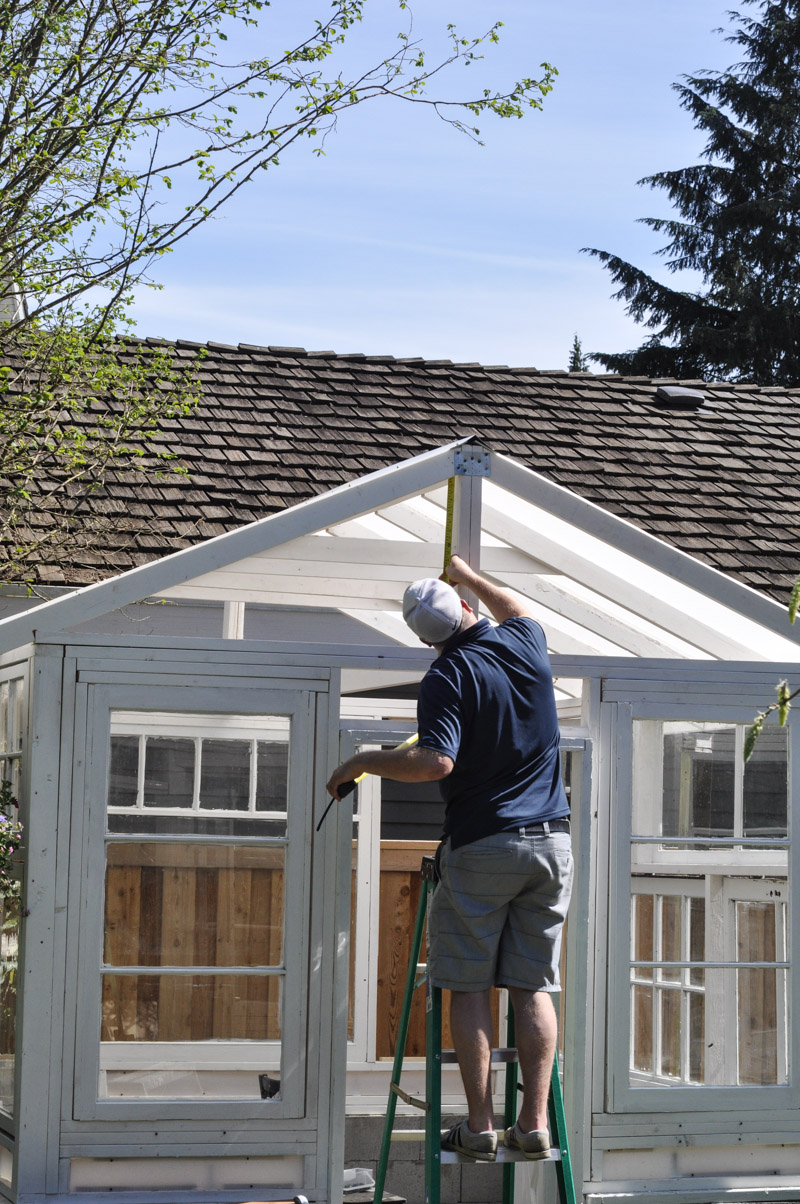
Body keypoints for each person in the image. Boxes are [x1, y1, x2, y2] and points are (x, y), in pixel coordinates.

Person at [326, 555, 573, 1164]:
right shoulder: (525, 641)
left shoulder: (446, 676)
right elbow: (511, 605)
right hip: (552, 844)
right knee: (533, 984)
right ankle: (534, 1123)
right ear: (467, 608)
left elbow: (435, 762)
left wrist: (363, 761)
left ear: (420, 639)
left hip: (485, 842)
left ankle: (482, 1126)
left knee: (465, 986)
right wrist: (467, 573)